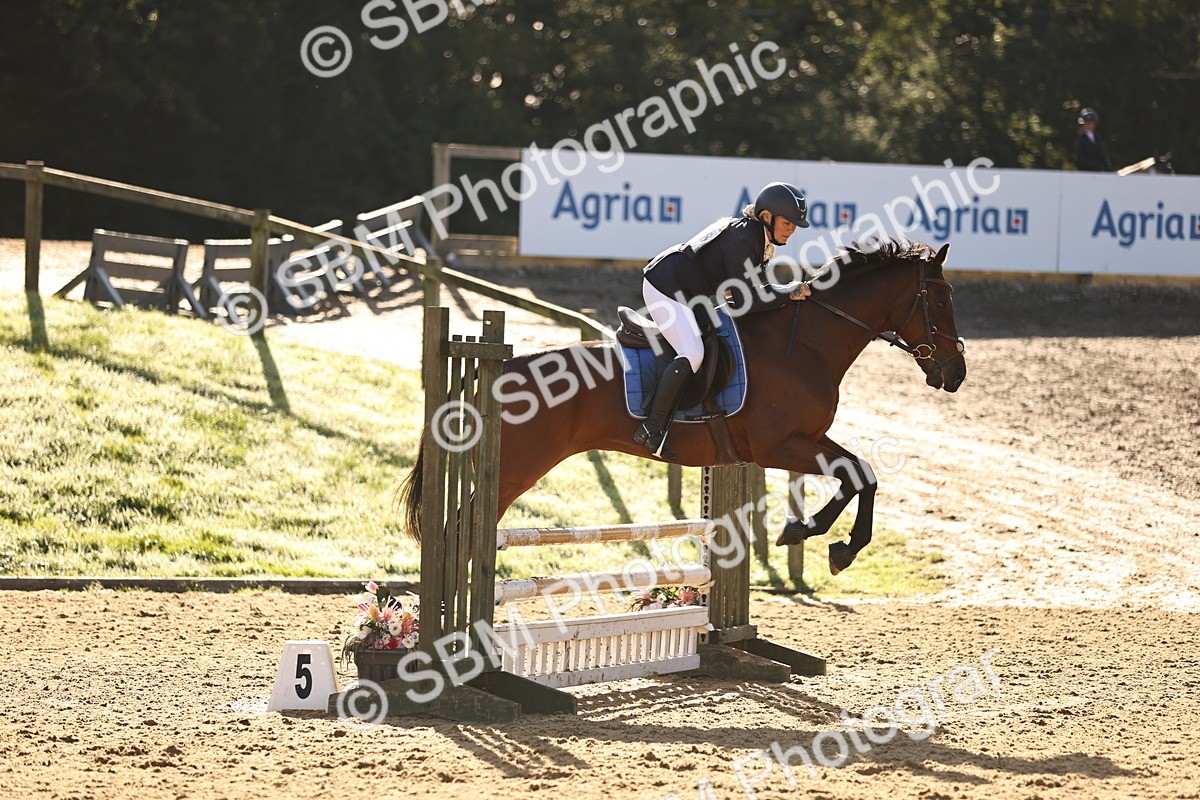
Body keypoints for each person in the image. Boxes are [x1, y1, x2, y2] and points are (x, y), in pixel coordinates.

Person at [635, 182, 813, 460]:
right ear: (767, 217)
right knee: (692, 352)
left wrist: (784, 294)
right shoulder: (744, 240)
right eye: (788, 222)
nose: (792, 229)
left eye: (795, 225)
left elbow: (757, 290)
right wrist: (788, 293)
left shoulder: (757, 238)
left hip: (691, 291)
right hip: (666, 286)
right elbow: (744, 302)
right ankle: (651, 429)